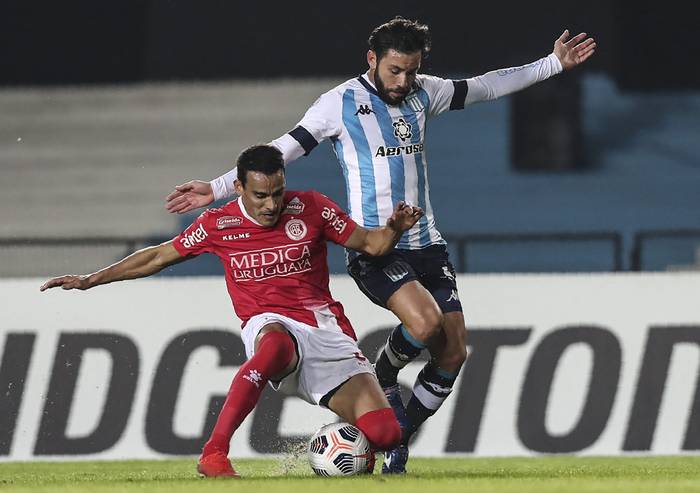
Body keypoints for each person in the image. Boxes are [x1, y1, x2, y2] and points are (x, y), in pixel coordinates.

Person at [164, 17, 596, 473]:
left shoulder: (425, 91)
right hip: (376, 246)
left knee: (453, 352)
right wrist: (216, 188)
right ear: (372, 59)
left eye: (411, 70)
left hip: (427, 242)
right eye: (395, 70)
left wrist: (552, 64)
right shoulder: (338, 104)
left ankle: (397, 441)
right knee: (426, 324)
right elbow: (283, 150)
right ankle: (386, 370)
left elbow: (486, 86)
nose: (404, 80)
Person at [41, 144, 424, 478]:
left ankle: (345, 450)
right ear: (239, 187)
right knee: (274, 346)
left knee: (386, 434)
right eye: (260, 195)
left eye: (277, 192)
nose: (271, 204)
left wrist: (394, 228)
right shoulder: (218, 223)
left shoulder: (311, 207)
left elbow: (372, 245)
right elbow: (158, 256)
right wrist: (92, 279)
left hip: (326, 330)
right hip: (270, 323)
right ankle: (214, 453)